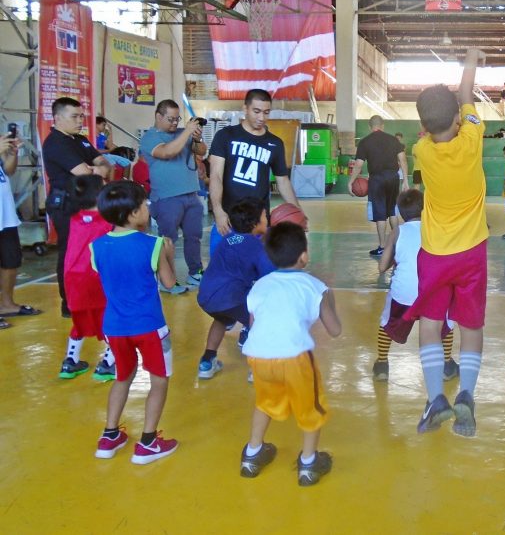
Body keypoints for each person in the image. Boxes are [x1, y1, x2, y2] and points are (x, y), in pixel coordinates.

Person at [405, 48, 487, 437]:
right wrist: (470, 60)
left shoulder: (421, 151)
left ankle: (436, 397)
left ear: (423, 124)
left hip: (435, 253)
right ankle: (467, 395)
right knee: (470, 325)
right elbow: (467, 91)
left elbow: (439, 122)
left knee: (430, 325)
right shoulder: (472, 138)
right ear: (458, 118)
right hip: (472, 252)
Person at [240, 222, 342, 485]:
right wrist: (328, 298)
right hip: (295, 357)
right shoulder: (314, 286)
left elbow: (253, 325)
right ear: (304, 256)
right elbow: (335, 330)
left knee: (265, 401)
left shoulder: (260, 285)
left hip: (258, 356)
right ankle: (308, 463)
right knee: (311, 406)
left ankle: (252, 454)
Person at [91, 181, 179, 464]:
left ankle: (109, 435)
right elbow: (170, 282)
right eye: (144, 205)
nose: (148, 209)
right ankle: (149, 442)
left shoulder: (97, 246)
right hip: (149, 326)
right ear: (132, 214)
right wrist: (168, 255)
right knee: (159, 380)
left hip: (115, 327)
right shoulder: (152, 244)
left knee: (122, 377)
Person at [374, 189, 457, 382]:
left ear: (401, 212)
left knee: (387, 324)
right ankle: (446, 365)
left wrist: (397, 259)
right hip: (433, 293)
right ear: (425, 208)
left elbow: (381, 267)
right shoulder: (436, 229)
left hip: (404, 295)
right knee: (446, 324)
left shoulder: (397, 232)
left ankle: (381, 365)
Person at [209, 89, 304, 253]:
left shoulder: (275, 143)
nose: (261, 118)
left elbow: (283, 181)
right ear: (245, 108)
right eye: (256, 111)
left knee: (259, 273)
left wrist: (298, 212)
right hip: (229, 219)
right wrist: (218, 211)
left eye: (266, 112)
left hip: (259, 223)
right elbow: (216, 176)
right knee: (224, 270)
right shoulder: (225, 136)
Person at [41, 97, 112, 317]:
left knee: (90, 252)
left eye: (82, 116)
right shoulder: (55, 142)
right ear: (58, 118)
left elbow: (105, 164)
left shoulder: (80, 140)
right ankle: (69, 302)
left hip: (88, 204)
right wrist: (94, 169)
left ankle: (91, 296)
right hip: (66, 204)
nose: (80, 120)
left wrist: (97, 168)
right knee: (70, 253)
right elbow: (84, 172)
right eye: (75, 116)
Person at [196, 198, 275, 379]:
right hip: (231, 297)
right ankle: (257, 368)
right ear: (255, 223)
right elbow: (269, 276)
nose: (267, 219)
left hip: (207, 296)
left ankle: (207, 362)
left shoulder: (228, 240)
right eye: (265, 216)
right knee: (260, 321)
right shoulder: (256, 247)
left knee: (221, 319)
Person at [139, 100, 208, 290]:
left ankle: (195, 272)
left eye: (177, 119)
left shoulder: (181, 133)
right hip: (167, 197)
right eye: (170, 119)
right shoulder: (149, 138)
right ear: (158, 116)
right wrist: (186, 131)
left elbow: (202, 151)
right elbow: (167, 152)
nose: (175, 123)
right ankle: (166, 280)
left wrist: (196, 138)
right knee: (167, 239)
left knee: (194, 236)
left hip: (191, 194)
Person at [59, 175, 114, 380]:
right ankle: (108, 363)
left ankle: (70, 361)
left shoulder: (74, 219)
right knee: (110, 320)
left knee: (79, 321)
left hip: (73, 279)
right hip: (98, 277)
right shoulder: (108, 221)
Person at [348, 115, 408, 257]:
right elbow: (403, 160)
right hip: (393, 178)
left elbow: (358, 165)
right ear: (383, 125)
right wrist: (405, 179)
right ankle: (397, 244)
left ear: (370, 127)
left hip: (377, 179)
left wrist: (351, 181)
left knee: (380, 214)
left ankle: (382, 247)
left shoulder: (365, 142)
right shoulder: (393, 140)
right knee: (393, 211)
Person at [0, 129, 40, 328]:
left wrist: (12, 154)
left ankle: (7, 304)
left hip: (5, 216)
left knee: (11, 260)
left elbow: (7, 171)